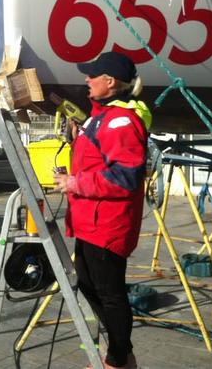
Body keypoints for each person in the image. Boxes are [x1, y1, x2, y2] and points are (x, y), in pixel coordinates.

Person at [53, 51, 152, 369]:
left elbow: (125, 178)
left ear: (110, 82)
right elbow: (99, 157)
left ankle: (118, 360)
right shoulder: (101, 116)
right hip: (88, 222)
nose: (86, 79)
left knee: (110, 293)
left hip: (107, 226)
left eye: (92, 74)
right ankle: (122, 352)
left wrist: (75, 183)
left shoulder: (122, 120)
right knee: (87, 284)